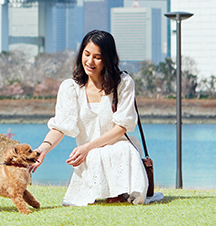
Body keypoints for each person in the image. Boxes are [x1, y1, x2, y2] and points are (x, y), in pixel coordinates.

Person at [29, 29, 148, 206]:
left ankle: (119, 192)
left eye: (97, 57)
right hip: (89, 153)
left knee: (124, 149)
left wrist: (88, 147)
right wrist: (42, 149)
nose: (90, 61)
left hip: (116, 146)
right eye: (86, 54)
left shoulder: (123, 83)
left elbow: (122, 127)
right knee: (93, 156)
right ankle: (109, 192)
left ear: (108, 59)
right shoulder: (70, 88)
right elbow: (60, 127)